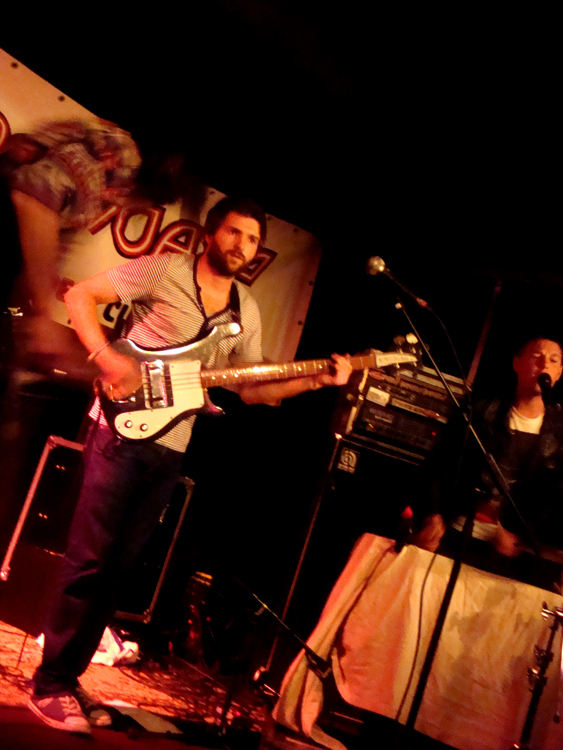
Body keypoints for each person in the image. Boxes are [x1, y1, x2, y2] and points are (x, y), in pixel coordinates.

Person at [27, 194, 353, 733]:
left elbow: (253, 390)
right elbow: (82, 295)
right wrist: (106, 358)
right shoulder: (166, 270)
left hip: (171, 446)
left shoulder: (244, 309)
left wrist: (317, 380)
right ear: (210, 234)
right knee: (88, 560)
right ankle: (48, 686)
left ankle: (68, 673)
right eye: (233, 233)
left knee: (117, 570)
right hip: (119, 427)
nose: (242, 246)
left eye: (252, 239)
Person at [412, 335, 563, 587]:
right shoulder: (480, 411)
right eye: (537, 357)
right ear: (517, 364)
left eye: (553, 360)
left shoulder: (559, 431)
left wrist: (520, 533)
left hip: (517, 553)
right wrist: (432, 515)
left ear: (559, 372)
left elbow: (555, 496)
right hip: (460, 533)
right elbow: (437, 466)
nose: (544, 364)